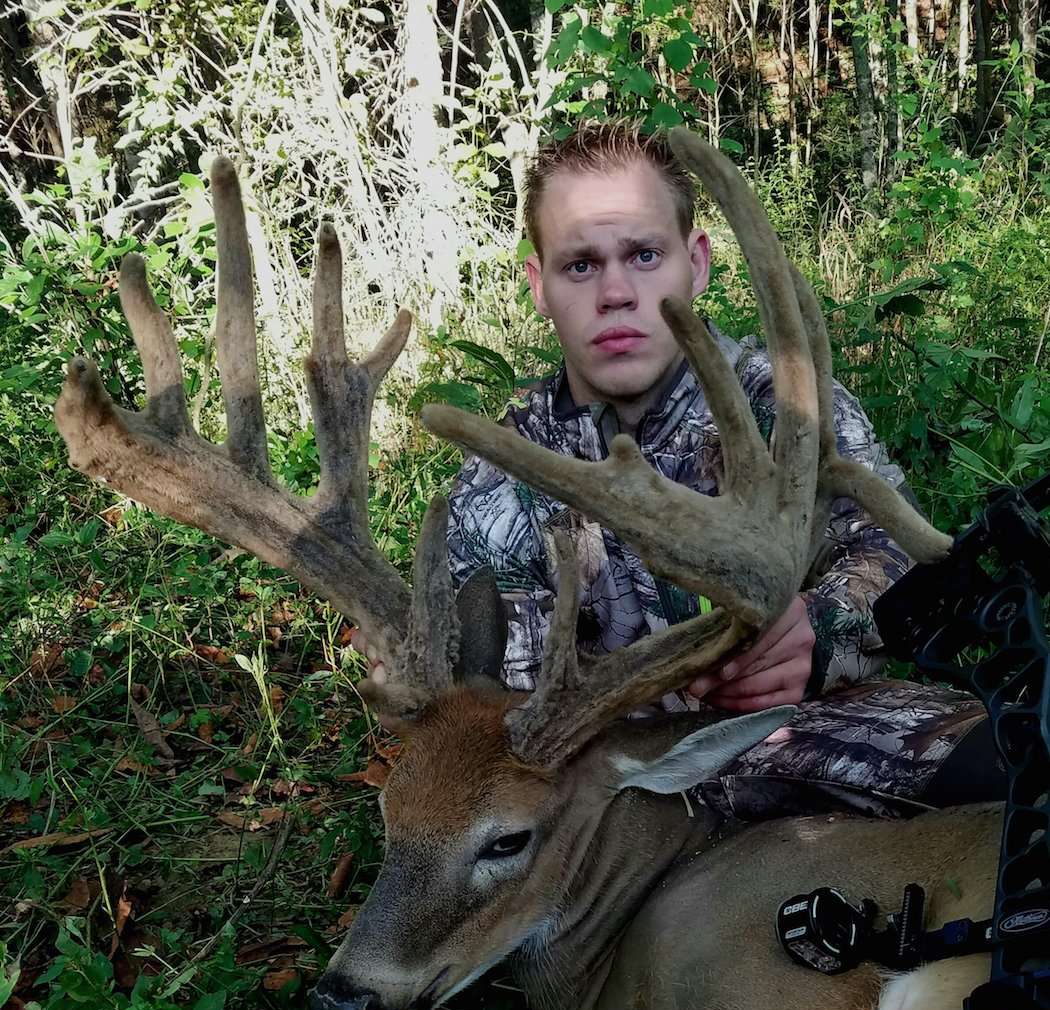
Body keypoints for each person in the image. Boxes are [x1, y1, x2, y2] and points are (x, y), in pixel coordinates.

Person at [359, 118, 1004, 821]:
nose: (615, 293)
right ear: (538, 285)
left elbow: (901, 557)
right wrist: (418, 667)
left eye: (642, 255)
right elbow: (480, 675)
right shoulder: (504, 473)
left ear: (694, 262)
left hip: (797, 740)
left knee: (1007, 761)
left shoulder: (785, 408)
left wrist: (818, 631)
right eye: (580, 264)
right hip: (609, 795)